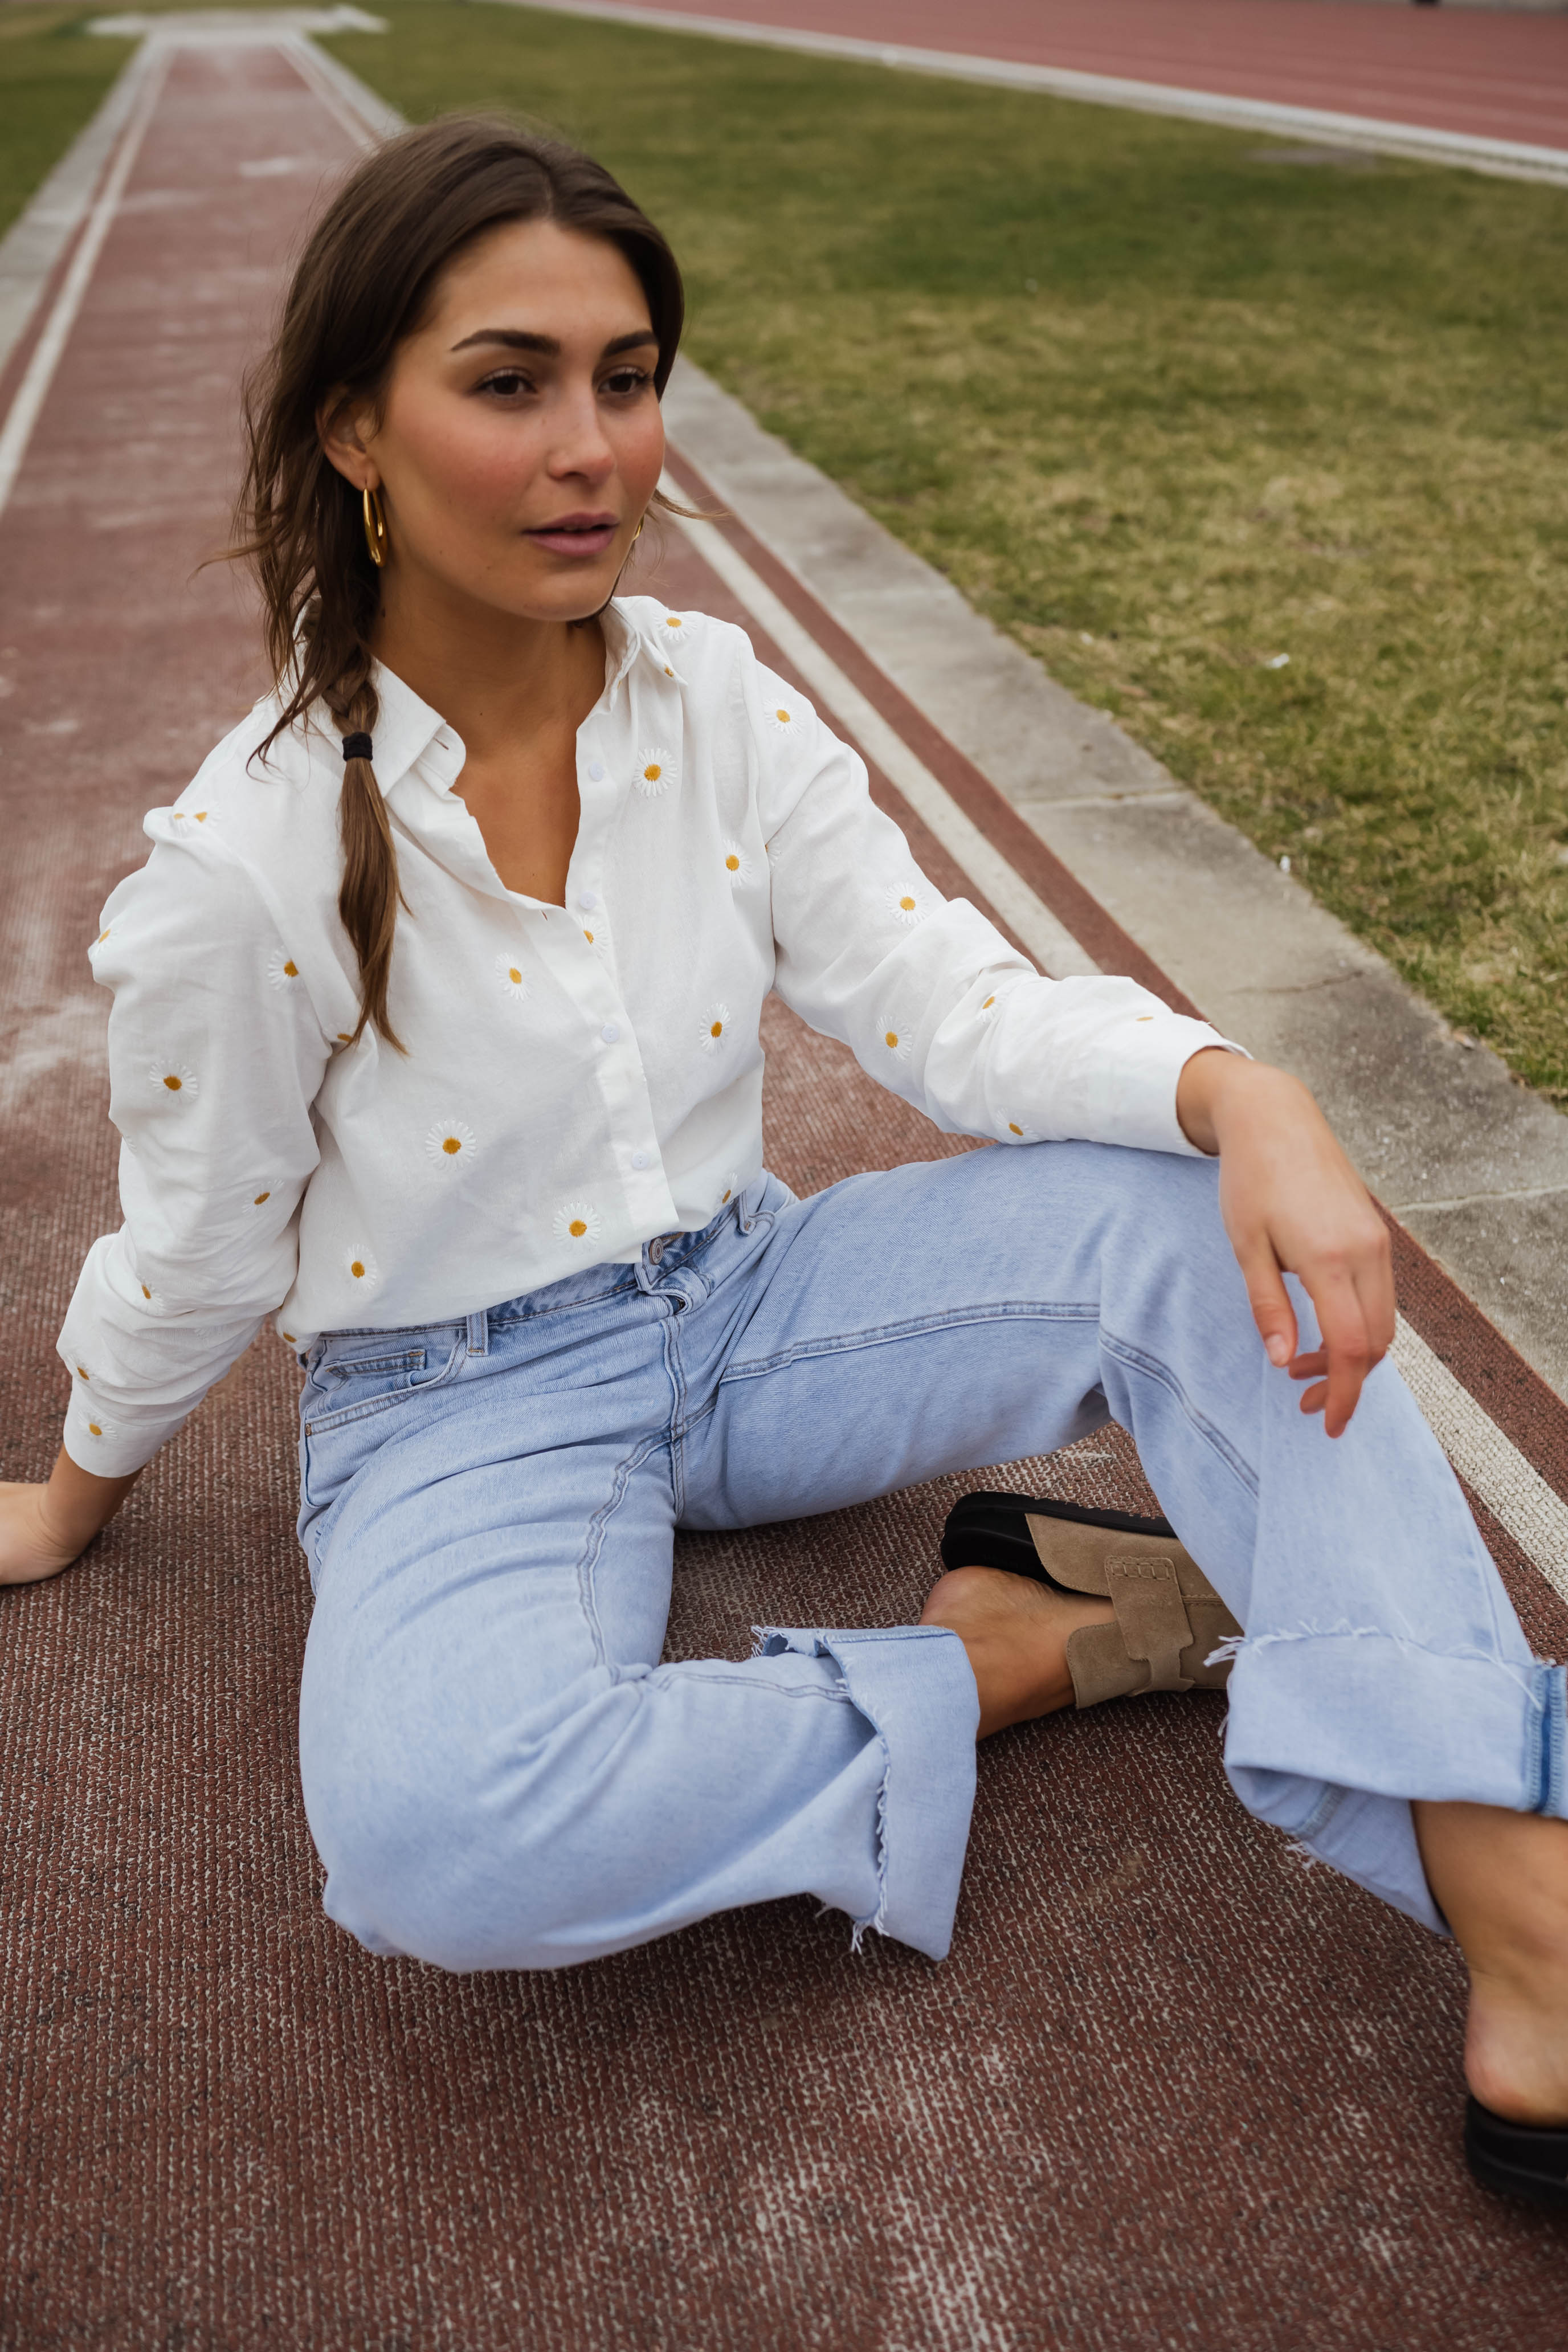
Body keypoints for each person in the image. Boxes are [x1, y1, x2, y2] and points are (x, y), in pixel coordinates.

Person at [2, 116, 1564, 2202]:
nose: (593, 447)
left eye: (627, 379)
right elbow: (196, 1242)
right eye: (509, 382)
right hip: (457, 1410)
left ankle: (1517, 1906)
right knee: (434, 1835)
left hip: (749, 1302)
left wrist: (1246, 1093)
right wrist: (74, 1487)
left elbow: (949, 1003)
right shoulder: (241, 865)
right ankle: (1003, 1650)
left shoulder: (715, 696)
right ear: (352, 431)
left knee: (1213, 1218)